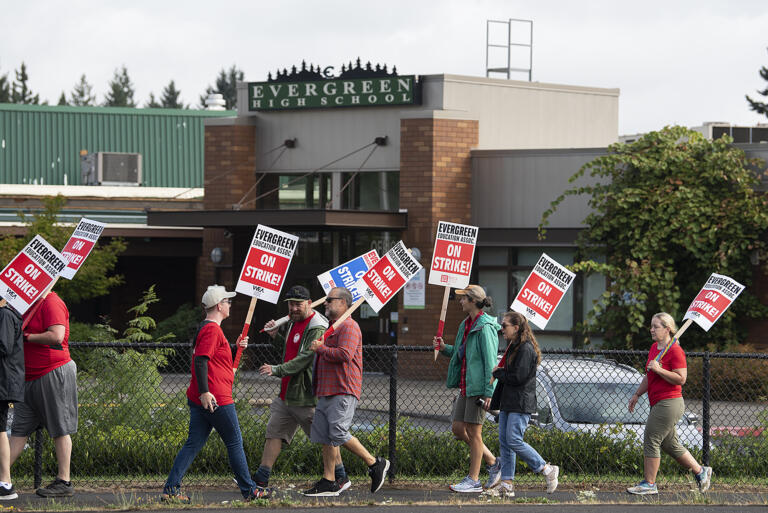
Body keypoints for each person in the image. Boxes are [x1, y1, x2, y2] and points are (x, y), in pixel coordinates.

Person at [162, 285, 267, 502]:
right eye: (228, 302)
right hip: (215, 397)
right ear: (219, 306)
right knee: (234, 442)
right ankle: (250, 491)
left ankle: (171, 490)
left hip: (204, 396)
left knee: (193, 443)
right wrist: (205, 392)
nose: (230, 304)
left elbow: (214, 359)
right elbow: (201, 361)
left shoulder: (206, 328)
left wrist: (237, 348)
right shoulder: (212, 330)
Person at [256, 285, 346, 494]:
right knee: (274, 433)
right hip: (286, 395)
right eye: (290, 304)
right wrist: (275, 335)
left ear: (309, 303)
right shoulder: (293, 323)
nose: (294, 308)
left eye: (298, 304)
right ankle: (260, 480)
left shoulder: (316, 326)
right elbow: (289, 351)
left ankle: (340, 476)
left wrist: (277, 370)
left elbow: (305, 359)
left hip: (307, 396)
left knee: (326, 438)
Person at [302, 287, 389, 497]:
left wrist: (320, 349)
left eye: (330, 300)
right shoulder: (332, 328)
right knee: (325, 435)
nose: (325, 303)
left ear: (342, 302)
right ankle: (329, 480)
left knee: (338, 432)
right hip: (326, 390)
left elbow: (345, 354)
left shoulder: (349, 326)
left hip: (342, 389)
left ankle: (375, 463)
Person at [626, 312, 713, 495]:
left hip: (670, 402)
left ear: (667, 329)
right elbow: (649, 376)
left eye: (656, 326)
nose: (651, 329)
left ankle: (649, 483)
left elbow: (681, 379)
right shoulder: (654, 348)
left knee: (651, 438)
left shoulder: (675, 351)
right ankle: (700, 471)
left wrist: (660, 369)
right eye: (651, 326)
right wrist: (637, 394)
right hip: (657, 401)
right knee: (670, 445)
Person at [433, 284, 500, 493]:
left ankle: (473, 479)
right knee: (458, 428)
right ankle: (493, 462)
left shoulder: (485, 327)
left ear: (472, 301)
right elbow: (462, 353)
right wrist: (445, 348)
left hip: (479, 387)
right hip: (466, 386)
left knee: (474, 431)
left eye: (463, 299)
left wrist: (489, 392)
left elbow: (491, 362)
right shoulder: (466, 324)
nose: (460, 301)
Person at [10, 291, 77, 498]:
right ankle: (3, 478)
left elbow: (56, 335)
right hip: (28, 376)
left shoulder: (50, 301)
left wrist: (26, 337)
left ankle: (64, 481)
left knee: (59, 427)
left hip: (52, 371)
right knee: (18, 430)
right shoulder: (26, 305)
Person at [488, 311, 559, 497]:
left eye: (505, 326)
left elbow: (518, 377)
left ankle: (545, 468)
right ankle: (507, 484)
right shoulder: (514, 346)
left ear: (516, 328)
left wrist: (498, 373)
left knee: (513, 439)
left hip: (520, 403)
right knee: (505, 443)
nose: (501, 329)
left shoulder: (526, 349)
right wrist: (501, 371)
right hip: (508, 401)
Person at [0, 303, 24, 500]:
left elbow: (3, 346)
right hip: (4, 382)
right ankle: (5, 483)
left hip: (2, 384)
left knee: (0, 431)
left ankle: (5, 484)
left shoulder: (5, 315)